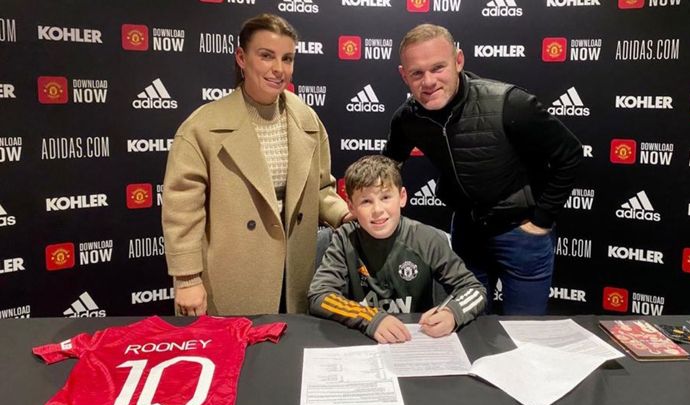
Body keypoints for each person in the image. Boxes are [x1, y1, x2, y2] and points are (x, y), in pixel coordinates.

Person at [383, 24, 582, 315]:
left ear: (459, 61)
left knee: (523, 336)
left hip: (522, 234)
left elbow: (570, 154)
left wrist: (541, 219)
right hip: (466, 234)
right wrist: (366, 200)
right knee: (468, 330)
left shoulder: (509, 103)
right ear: (404, 75)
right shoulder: (407, 119)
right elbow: (388, 166)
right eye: (417, 73)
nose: (428, 81)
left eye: (438, 68)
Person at [162, 14, 350, 316]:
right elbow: (182, 210)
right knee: (242, 357)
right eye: (266, 56)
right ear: (241, 57)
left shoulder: (308, 120)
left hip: (296, 275)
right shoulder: (202, 127)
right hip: (233, 274)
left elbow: (321, 189)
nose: (278, 69)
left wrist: (344, 215)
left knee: (288, 352)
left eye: (287, 59)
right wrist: (186, 279)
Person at [308, 155, 487, 344]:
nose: (377, 210)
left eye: (385, 197)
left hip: (415, 340)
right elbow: (320, 295)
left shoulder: (427, 238)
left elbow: (474, 289)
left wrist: (453, 313)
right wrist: (370, 318)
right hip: (364, 340)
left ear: (402, 197)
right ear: (351, 207)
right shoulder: (344, 239)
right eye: (366, 201)